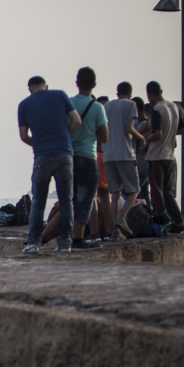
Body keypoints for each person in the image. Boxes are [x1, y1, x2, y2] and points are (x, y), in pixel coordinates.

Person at [17, 76, 81, 253]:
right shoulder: (60, 95)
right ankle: (64, 244)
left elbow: (23, 136)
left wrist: (37, 144)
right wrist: (65, 138)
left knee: (38, 201)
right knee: (66, 201)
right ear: (46, 86)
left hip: (42, 157)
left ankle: (32, 243)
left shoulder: (24, 104)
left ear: (30, 89)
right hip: (64, 155)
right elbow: (76, 120)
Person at [140, 80, 184, 233]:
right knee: (167, 192)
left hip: (156, 156)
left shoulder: (157, 110)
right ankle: (179, 222)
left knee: (156, 190)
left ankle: (161, 220)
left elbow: (158, 133)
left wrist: (146, 138)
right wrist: (170, 134)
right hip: (169, 155)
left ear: (149, 95)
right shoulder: (174, 107)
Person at [69, 67, 109, 249]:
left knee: (70, 197)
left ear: (76, 83)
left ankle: (66, 236)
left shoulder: (67, 103)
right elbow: (105, 137)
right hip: (88, 157)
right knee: (85, 199)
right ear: (94, 85)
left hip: (69, 158)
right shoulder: (98, 107)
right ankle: (78, 238)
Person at [102, 82, 146, 240]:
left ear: (117, 92)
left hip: (108, 155)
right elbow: (130, 129)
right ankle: (122, 218)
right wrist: (141, 138)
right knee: (135, 190)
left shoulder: (106, 107)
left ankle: (116, 230)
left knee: (115, 193)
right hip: (125, 154)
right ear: (130, 92)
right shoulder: (131, 104)